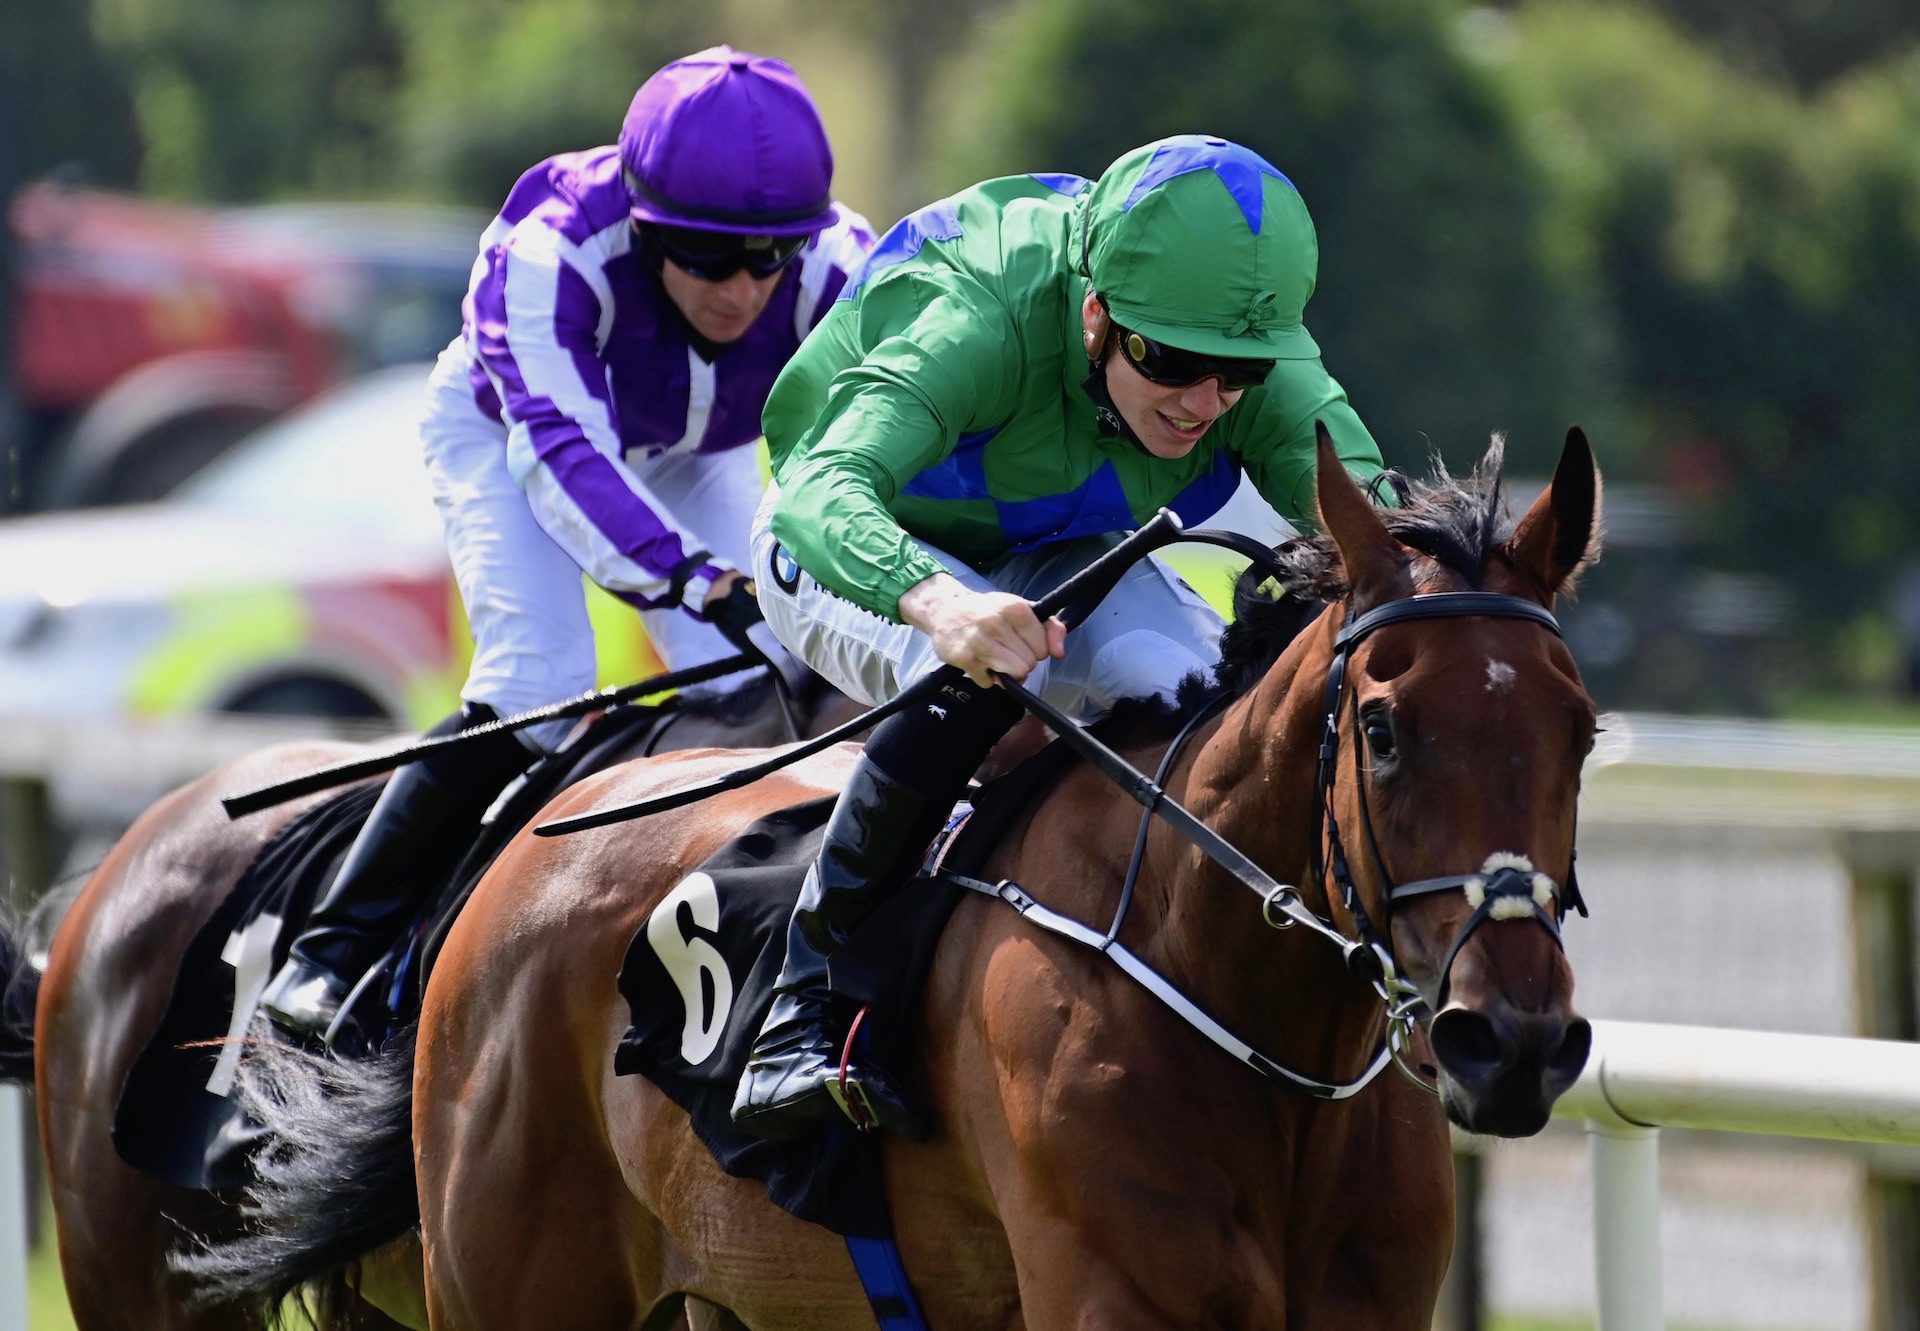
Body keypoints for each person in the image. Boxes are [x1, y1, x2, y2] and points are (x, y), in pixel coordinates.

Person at [730, 134, 1392, 1139]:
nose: (1201, 402)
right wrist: (939, 602)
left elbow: (1385, 535)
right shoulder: (979, 317)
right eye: (1169, 362)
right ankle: (804, 1004)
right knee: (972, 673)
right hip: (851, 541)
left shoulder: (1245, 355)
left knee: (1183, 692)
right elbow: (824, 492)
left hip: (1058, 548)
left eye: (1237, 375)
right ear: (1096, 317)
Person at [259, 46, 873, 1043]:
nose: (744, 290)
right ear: (646, 228)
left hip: (691, 452)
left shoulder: (845, 267)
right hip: (511, 431)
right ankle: (328, 951)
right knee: (541, 678)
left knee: (769, 680)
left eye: (770, 259)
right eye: (711, 259)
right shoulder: (549, 250)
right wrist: (695, 576)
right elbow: (563, 455)